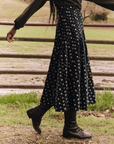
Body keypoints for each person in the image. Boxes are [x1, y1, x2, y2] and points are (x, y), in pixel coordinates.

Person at [6, 0, 114, 139]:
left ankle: (39, 112)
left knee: (63, 72)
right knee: (71, 72)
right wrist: (17, 25)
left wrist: (17, 25)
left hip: (69, 25)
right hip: (71, 26)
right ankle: (70, 126)